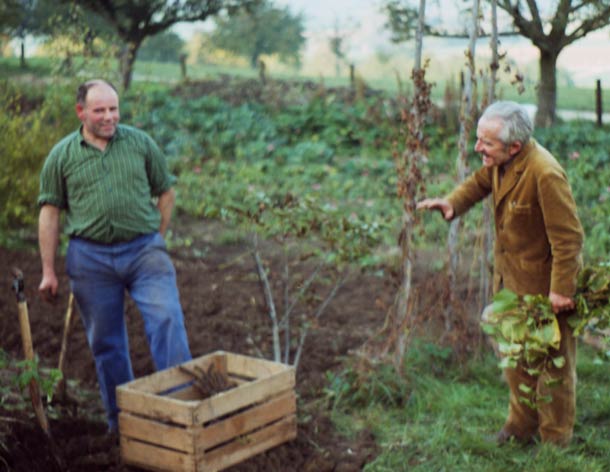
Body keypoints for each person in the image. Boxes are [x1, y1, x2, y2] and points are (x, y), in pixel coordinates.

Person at [417, 101, 583, 447]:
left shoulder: (545, 173)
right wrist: (452, 202)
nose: (478, 148)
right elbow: (480, 183)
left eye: (486, 143)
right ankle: (520, 427)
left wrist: (562, 291)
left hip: (547, 290)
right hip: (511, 284)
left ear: (514, 147)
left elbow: (568, 238)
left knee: (554, 366)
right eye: (479, 139)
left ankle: (555, 441)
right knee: (514, 354)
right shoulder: (499, 163)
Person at [37, 79, 192, 432]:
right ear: (81, 112)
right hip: (90, 260)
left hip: (143, 253)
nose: (109, 117)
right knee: (107, 343)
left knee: (167, 319)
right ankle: (123, 426)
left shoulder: (140, 144)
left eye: (114, 109)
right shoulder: (62, 155)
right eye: (100, 110)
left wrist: (157, 238)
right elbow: (49, 212)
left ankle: (183, 415)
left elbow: (165, 192)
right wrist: (48, 270)